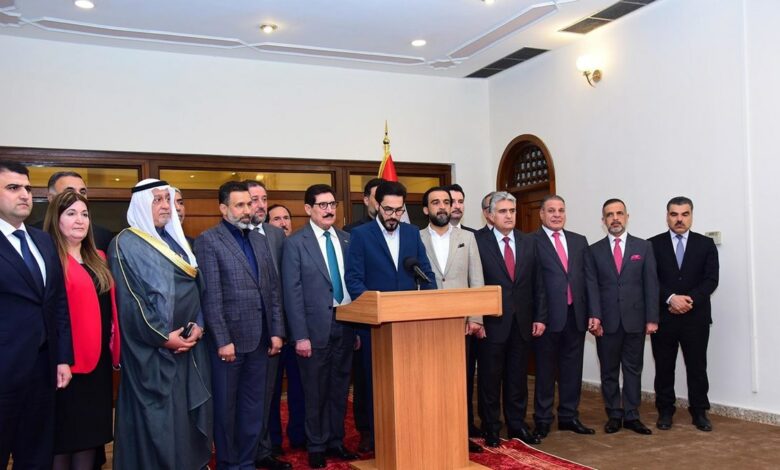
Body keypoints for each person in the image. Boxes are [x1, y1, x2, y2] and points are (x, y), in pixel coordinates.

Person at [108, 178, 212, 469]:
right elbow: (131, 302)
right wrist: (164, 337)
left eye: (168, 199)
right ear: (142, 205)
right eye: (157, 200)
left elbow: (198, 288)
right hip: (152, 356)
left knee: (186, 422)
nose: (166, 206)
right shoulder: (125, 244)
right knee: (159, 425)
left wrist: (199, 325)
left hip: (188, 351)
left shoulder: (177, 241)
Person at [195, 181, 289, 470]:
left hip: (261, 340)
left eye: (249, 204)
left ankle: (247, 462)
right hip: (229, 344)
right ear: (223, 208)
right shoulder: (209, 241)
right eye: (240, 205)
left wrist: (277, 331)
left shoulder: (259, 240)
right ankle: (229, 463)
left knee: (254, 407)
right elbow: (211, 296)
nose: (248, 210)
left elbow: (272, 290)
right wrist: (223, 340)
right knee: (227, 409)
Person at [344, 180, 436, 451]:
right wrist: (377, 306)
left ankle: (405, 430)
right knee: (373, 383)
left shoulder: (412, 233)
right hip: (375, 324)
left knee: (406, 382)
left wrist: (428, 300)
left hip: (407, 325)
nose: (393, 215)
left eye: (398, 210)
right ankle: (371, 434)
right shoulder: (361, 235)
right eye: (388, 209)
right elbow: (354, 280)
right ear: (377, 206)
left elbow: (426, 274)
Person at [0, 161, 73, 470]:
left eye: (28, 188)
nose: (24, 195)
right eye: (13, 187)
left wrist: (62, 358)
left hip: (43, 372)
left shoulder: (42, 240)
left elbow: (57, 303)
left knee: (37, 458)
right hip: (4, 373)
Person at [282, 184, 359, 468]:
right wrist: (300, 336)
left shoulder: (347, 239)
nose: (329, 210)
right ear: (308, 209)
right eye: (322, 205)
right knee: (315, 390)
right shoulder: (295, 243)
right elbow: (292, 292)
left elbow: (353, 283)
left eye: (332, 205)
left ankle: (335, 441)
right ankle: (316, 445)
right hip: (312, 330)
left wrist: (357, 324)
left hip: (345, 324)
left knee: (340, 387)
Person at [44, 191, 120, 470]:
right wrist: (59, 358)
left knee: (91, 440)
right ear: (56, 219)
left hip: (97, 366)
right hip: (66, 366)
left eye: (85, 214)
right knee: (63, 443)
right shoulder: (49, 259)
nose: (80, 220)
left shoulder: (99, 257)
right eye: (71, 213)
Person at [474, 191, 547, 447]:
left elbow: (538, 283)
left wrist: (540, 317)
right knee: (490, 378)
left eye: (512, 211)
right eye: (503, 211)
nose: (509, 216)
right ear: (490, 215)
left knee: (517, 378)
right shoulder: (477, 241)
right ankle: (491, 427)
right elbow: (474, 283)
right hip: (492, 322)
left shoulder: (528, 242)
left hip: (522, 322)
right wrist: (477, 319)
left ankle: (517, 424)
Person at [419, 186, 485, 453]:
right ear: (426, 209)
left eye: (446, 202)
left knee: (460, 382)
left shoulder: (467, 238)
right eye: (436, 202)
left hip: (460, 324)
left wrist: (476, 317)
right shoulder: (415, 238)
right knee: (430, 383)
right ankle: (430, 433)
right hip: (425, 323)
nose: (443, 206)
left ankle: (459, 434)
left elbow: (476, 279)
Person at [587, 198, 659, 435]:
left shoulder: (644, 247)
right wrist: (595, 316)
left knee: (633, 370)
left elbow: (651, 284)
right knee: (609, 372)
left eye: (619, 213)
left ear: (627, 217)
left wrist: (652, 318)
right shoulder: (593, 251)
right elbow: (591, 286)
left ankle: (631, 415)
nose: (615, 218)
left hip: (635, 321)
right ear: (603, 220)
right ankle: (614, 415)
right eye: (610, 215)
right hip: (606, 323)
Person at [244, 180, 304, 462]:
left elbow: (287, 282)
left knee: (287, 389)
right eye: (254, 199)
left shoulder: (276, 236)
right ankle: (263, 446)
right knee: (261, 395)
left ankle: (282, 442)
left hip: (286, 328)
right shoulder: (237, 235)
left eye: (264, 199)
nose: (260, 204)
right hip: (255, 331)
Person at [649, 197, 719, 432]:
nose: (679, 219)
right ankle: (665, 411)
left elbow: (711, 279)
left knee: (697, 367)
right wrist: (671, 298)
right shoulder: (652, 245)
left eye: (684, 214)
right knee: (664, 367)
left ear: (691, 216)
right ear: (667, 216)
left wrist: (689, 300)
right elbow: (650, 279)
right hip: (664, 316)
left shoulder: (705, 244)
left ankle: (699, 412)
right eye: (674, 214)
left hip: (696, 317)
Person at [531, 195, 598, 439]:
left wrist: (594, 312)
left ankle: (569, 416)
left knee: (572, 370)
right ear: (542, 214)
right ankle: (543, 419)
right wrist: (537, 316)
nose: (557, 215)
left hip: (576, 315)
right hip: (547, 318)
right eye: (551, 210)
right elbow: (532, 283)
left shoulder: (579, 241)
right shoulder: (531, 242)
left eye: (561, 210)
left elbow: (589, 279)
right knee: (545, 372)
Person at [342, 176, 384, 451]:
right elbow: (351, 280)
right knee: (365, 380)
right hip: (365, 321)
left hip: (397, 320)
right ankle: (367, 431)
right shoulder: (352, 232)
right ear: (367, 200)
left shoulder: (404, 232)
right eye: (378, 198)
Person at [45, 171, 114, 252]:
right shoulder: (35, 235)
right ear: (51, 198)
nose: (78, 196)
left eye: (82, 192)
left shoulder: (102, 236)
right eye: (69, 192)